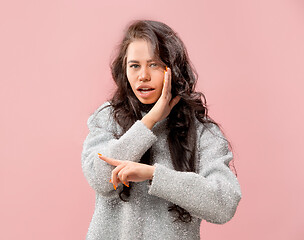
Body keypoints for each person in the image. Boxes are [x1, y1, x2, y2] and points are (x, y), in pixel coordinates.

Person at [81, 19, 242, 240]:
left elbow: (224, 204)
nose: (143, 75)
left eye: (154, 64)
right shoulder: (108, 118)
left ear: (173, 69)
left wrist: (153, 175)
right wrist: (150, 121)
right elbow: (100, 179)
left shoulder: (201, 132)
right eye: (134, 65)